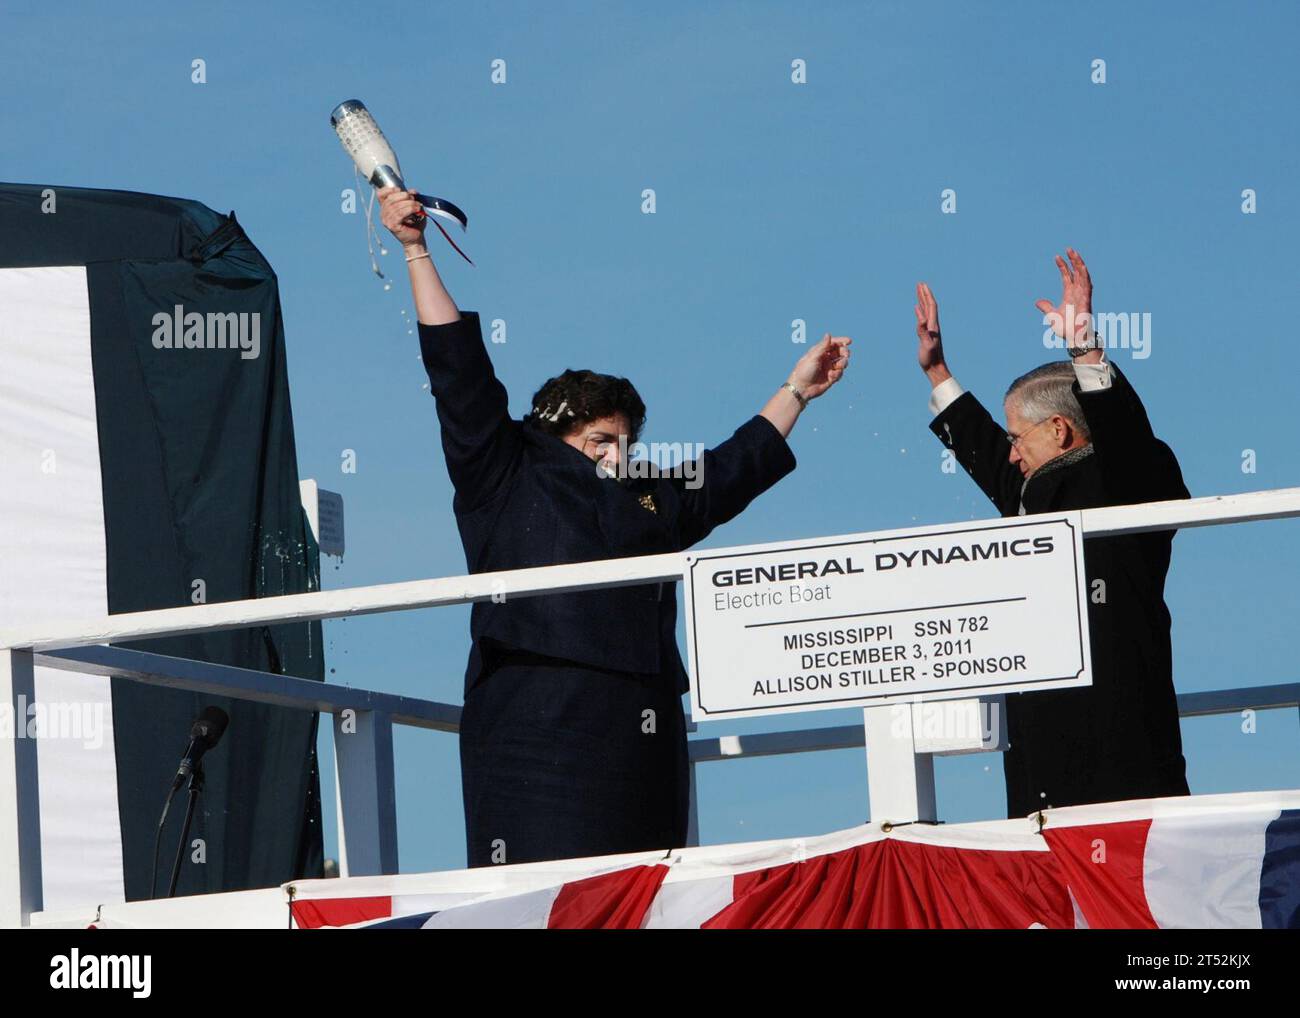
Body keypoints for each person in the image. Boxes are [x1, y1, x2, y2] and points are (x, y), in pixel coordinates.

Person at [381, 187, 851, 866]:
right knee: (540, 899)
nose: (615, 454)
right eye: (600, 438)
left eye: (626, 441)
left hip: (642, 730)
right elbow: (460, 372)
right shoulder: (504, 468)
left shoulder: (647, 494)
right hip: (536, 724)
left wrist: (798, 389)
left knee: (649, 893)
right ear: (557, 430)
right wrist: (417, 249)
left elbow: (727, 472)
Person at [913, 248, 1190, 817]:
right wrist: (938, 374)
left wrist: (1085, 347)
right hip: (1042, 762)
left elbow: (1128, 438)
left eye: (1019, 437)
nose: (1011, 454)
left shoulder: (1127, 479)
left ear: (1060, 429)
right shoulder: (1029, 494)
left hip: (1125, 750)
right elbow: (991, 456)